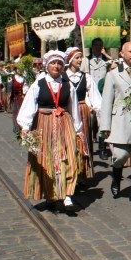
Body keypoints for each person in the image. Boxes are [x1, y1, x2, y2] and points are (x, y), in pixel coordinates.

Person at [17, 50, 83, 213]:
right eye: (53, 63)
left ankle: (67, 196)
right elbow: (29, 107)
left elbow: (73, 108)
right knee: (46, 160)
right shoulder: (38, 84)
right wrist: (25, 127)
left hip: (64, 124)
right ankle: (50, 195)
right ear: (47, 65)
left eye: (59, 63)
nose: (56, 66)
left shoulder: (68, 85)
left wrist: (78, 130)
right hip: (43, 124)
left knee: (68, 158)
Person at [99, 42, 131, 203]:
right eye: (130, 52)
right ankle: (116, 177)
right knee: (120, 155)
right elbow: (106, 101)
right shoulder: (113, 74)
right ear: (122, 54)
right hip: (120, 121)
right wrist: (105, 126)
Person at [64, 47, 102, 189]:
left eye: (81, 57)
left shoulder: (86, 77)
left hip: (82, 111)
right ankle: (69, 171)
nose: (80, 60)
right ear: (70, 60)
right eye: (77, 57)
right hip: (67, 112)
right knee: (69, 142)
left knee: (83, 141)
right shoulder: (63, 76)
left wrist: (96, 110)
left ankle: (82, 173)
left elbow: (95, 96)